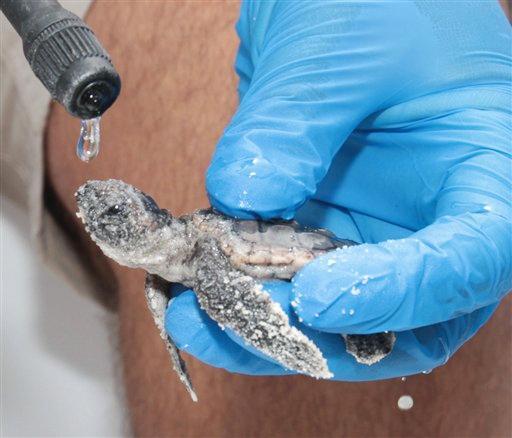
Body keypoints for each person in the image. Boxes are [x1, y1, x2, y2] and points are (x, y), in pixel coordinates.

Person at [40, 1, 510, 436]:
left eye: (118, 211)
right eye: (97, 216)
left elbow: (233, 299)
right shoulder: (162, 277)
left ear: (151, 215)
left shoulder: (200, 255)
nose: (105, 218)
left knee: (364, 324)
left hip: (318, 251)